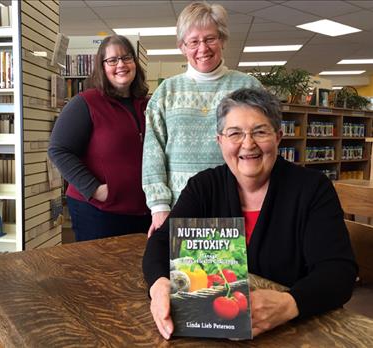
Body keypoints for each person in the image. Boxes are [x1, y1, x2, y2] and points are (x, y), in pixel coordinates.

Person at [142, 88, 357, 340]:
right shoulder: (203, 186)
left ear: (278, 137)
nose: (248, 144)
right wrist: (159, 287)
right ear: (220, 141)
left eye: (260, 131)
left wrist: (290, 303)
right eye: (235, 133)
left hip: (293, 332)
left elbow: (338, 271)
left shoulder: (312, 189)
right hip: (212, 330)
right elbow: (160, 242)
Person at [142, 2, 262, 236]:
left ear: (223, 40)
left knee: (235, 270)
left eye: (210, 39)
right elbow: (152, 150)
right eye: (193, 41)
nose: (202, 48)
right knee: (186, 271)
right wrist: (159, 206)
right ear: (182, 47)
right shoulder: (167, 91)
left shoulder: (248, 87)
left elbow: (263, 144)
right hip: (180, 206)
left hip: (237, 203)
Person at [48, 35, 151, 241]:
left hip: (143, 209)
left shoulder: (149, 104)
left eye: (126, 58)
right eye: (112, 60)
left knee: (139, 270)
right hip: (98, 211)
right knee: (100, 272)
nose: (120, 64)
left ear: (135, 64)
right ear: (102, 67)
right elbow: (59, 150)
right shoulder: (85, 103)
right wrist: (94, 189)